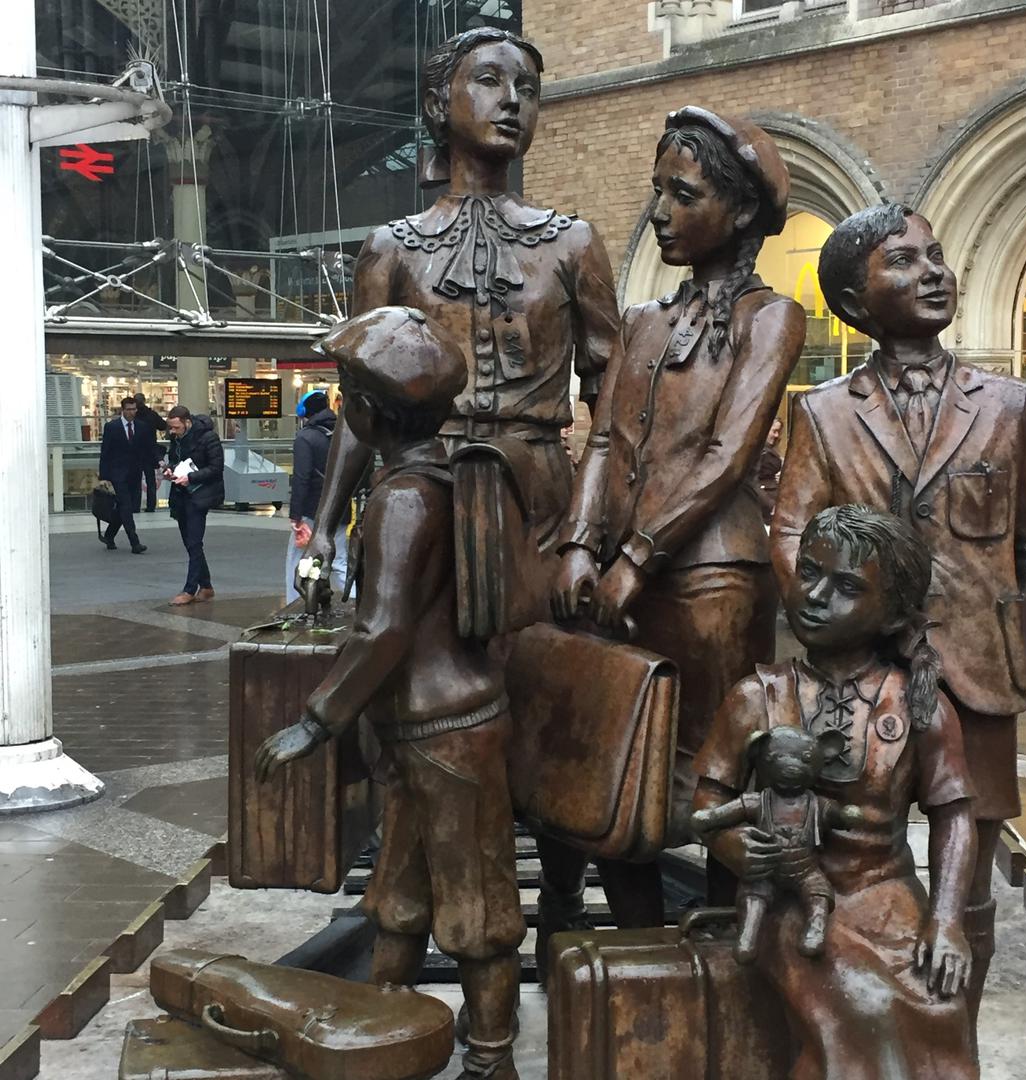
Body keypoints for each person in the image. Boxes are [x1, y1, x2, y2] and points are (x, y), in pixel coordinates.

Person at [300, 26, 621, 964]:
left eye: (527, 84)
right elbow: (362, 408)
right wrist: (323, 527)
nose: (512, 99)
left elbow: (612, 401)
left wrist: (587, 539)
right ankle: (408, 903)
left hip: (536, 500)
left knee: (549, 707)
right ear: (442, 103)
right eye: (489, 80)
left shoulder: (573, 243)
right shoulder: (390, 247)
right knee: (424, 715)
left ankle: (560, 904)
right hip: (422, 497)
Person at [771, 203, 1026, 1049]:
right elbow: (790, 531)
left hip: (976, 666)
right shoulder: (825, 413)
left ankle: (954, 1043)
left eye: (936, 255)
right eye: (902, 261)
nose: (932, 270)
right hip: (860, 678)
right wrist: (831, 627)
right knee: (849, 853)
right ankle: (850, 1029)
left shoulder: (1009, 404)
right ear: (855, 303)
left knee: (967, 873)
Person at [551, 107, 806, 926]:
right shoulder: (641, 322)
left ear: (738, 214)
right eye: (656, 192)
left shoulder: (771, 319)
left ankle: (726, 944)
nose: (659, 212)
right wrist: (581, 546)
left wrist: (638, 558)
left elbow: (727, 454)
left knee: (718, 772)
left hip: (713, 583)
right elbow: (603, 445)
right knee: (619, 763)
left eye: (682, 194)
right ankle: (637, 947)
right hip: (620, 578)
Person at [255, 307, 525, 1080]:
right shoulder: (432, 478)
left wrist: (316, 721)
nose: (345, 409)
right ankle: (381, 1027)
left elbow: (384, 629)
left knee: (476, 910)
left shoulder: (406, 497)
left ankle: (490, 1059)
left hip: (448, 730)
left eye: (347, 395)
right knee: (398, 894)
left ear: (372, 412)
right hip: (421, 732)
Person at [693, 504, 977, 1079]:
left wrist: (946, 920)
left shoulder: (918, 705)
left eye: (846, 586)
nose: (816, 596)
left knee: (940, 1007)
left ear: (894, 613)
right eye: (809, 573)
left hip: (887, 893)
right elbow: (704, 803)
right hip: (792, 900)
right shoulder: (758, 696)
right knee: (860, 1004)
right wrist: (734, 848)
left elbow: (956, 815)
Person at [287, 390, 349, 602]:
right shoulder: (344, 434)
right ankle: (359, 603)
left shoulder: (305, 437)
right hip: (340, 507)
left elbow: (301, 478)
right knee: (340, 561)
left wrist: (295, 515)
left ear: (304, 411)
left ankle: (293, 604)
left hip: (312, 510)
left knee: (298, 561)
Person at [164, 405, 224, 606]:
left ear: (187, 422)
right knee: (190, 542)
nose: (173, 432)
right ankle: (206, 586)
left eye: (176, 428)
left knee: (194, 542)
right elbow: (173, 458)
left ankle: (190, 589)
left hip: (200, 495)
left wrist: (190, 477)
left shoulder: (208, 438)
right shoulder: (176, 439)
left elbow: (216, 468)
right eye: (170, 428)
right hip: (182, 494)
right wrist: (170, 470)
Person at [97, 396, 148, 554]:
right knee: (125, 506)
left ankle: (110, 534)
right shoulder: (112, 427)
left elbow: (147, 450)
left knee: (126, 507)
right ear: (122, 410)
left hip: (134, 473)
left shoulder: (141, 426)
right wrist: (104, 476)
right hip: (117, 474)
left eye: (134, 409)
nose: (132, 412)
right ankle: (134, 542)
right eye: (129, 409)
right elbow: (105, 452)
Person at [133, 392, 167, 511]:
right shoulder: (151, 414)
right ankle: (151, 505)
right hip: (150, 450)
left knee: (136, 480)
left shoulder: (133, 416)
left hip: (135, 451)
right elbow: (163, 426)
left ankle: (135, 506)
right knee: (150, 479)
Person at [757, 416, 784, 523]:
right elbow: (752, 481)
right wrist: (770, 505)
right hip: (764, 506)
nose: (777, 435)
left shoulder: (770, 450)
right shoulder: (758, 451)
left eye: (779, 432)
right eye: (774, 431)